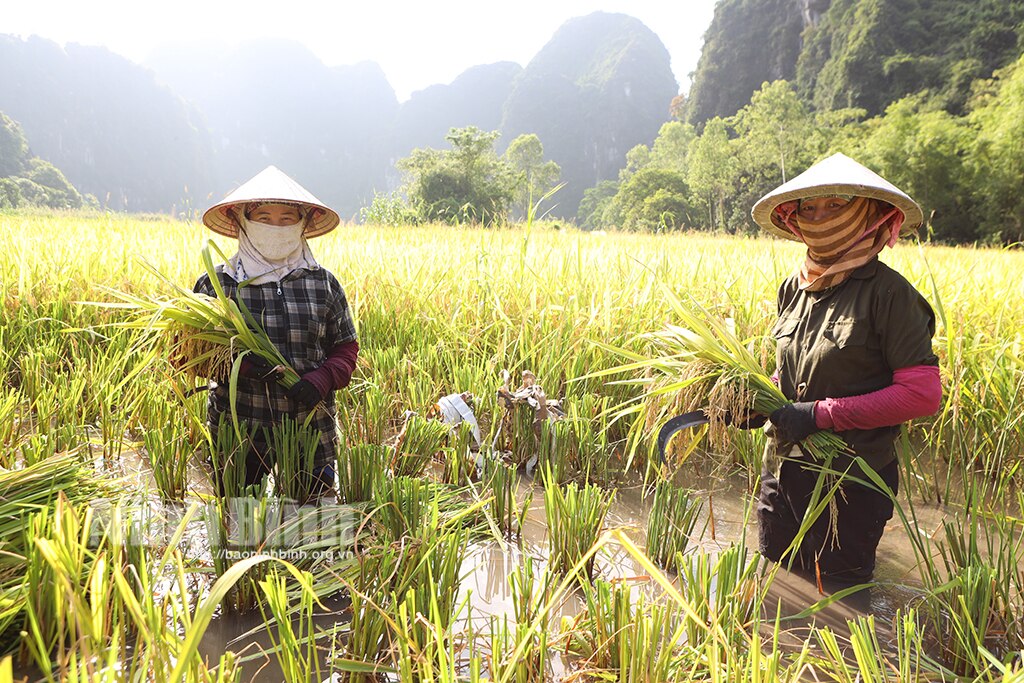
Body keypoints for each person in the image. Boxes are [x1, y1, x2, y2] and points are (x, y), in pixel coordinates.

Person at [748, 152, 942, 584]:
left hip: (849, 481)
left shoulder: (889, 295)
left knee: (839, 593)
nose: (820, 217)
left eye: (836, 205)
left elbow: (923, 393)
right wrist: (759, 401)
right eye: (809, 208)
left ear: (868, 213)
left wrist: (820, 414)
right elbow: (792, 371)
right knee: (777, 582)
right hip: (781, 470)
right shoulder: (794, 287)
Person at [196, 165, 359, 497]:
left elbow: (345, 348)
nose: (276, 226)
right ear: (241, 221)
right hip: (240, 426)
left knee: (311, 524)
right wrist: (242, 366)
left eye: (287, 218)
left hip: (312, 427)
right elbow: (187, 354)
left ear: (303, 224)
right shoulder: (218, 283)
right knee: (242, 520)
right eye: (263, 218)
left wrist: (323, 379)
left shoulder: (322, 283)